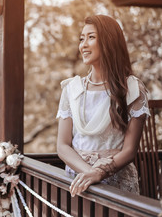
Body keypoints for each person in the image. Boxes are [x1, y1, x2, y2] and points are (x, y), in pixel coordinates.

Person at [56, 14, 150, 197]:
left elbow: (130, 150)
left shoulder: (132, 89)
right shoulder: (71, 89)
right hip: (78, 182)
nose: (83, 45)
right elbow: (62, 145)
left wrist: (100, 172)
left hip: (116, 183)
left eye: (91, 37)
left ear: (109, 42)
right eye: (81, 39)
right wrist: (89, 173)